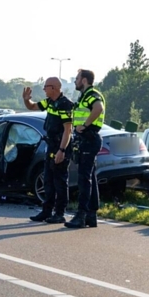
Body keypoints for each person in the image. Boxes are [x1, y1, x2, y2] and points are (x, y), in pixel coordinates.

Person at [22, 77, 75, 223]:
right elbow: (32, 107)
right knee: (48, 181)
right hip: (51, 145)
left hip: (60, 146)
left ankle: (59, 213)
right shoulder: (50, 102)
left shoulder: (65, 104)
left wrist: (62, 150)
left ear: (54, 88)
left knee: (60, 182)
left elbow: (68, 130)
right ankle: (46, 211)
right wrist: (26, 100)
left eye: (46, 86)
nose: (44, 89)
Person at [65, 69, 105, 229]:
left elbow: (98, 108)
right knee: (90, 178)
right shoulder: (84, 96)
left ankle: (81, 215)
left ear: (84, 80)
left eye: (77, 78)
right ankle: (91, 216)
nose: (75, 81)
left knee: (84, 179)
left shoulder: (91, 95)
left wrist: (85, 125)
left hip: (89, 138)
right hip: (86, 139)